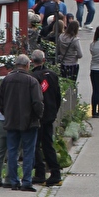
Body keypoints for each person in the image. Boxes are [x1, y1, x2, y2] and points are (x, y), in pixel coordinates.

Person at [0, 54, 44, 192]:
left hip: (11, 120)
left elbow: (1, 101)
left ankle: (13, 181)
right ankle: (26, 181)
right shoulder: (31, 81)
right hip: (29, 122)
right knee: (29, 151)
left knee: (12, 152)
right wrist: (38, 116)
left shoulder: (6, 80)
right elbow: (37, 102)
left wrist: (7, 114)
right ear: (27, 65)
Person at [30, 50, 62, 187]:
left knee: (35, 145)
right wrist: (54, 111)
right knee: (48, 144)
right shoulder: (53, 75)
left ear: (32, 61)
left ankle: (40, 173)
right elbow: (58, 96)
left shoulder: (32, 77)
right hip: (50, 115)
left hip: (39, 116)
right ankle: (55, 173)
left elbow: (34, 100)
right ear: (44, 60)